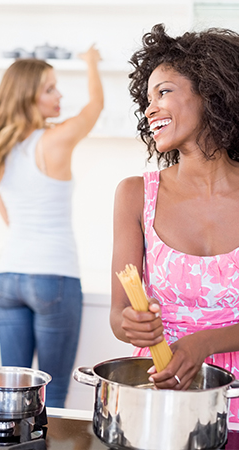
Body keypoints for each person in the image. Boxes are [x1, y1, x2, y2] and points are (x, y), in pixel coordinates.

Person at [110, 23, 239, 422]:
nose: (150, 108)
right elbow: (118, 316)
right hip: (159, 402)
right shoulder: (136, 194)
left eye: (163, 91)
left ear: (213, 92)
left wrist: (205, 343)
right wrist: (132, 324)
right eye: (146, 99)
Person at [0, 46, 104, 408]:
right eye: (50, 89)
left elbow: (9, 216)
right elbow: (94, 109)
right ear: (28, 95)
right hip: (53, 276)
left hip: (8, 278)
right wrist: (91, 63)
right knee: (54, 393)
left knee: (10, 393)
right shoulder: (54, 140)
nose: (59, 96)